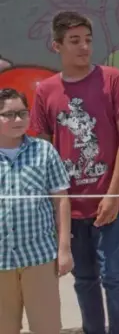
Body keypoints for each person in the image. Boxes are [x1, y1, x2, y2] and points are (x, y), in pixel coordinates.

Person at [31, 11, 119, 334]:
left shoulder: (111, 79)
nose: (84, 47)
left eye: (88, 40)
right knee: (85, 279)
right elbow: (44, 149)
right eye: (75, 41)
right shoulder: (45, 91)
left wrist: (113, 194)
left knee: (115, 277)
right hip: (71, 207)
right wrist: (55, 203)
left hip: (111, 203)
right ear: (57, 45)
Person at [0, 88, 72, 333]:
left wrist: (64, 250)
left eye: (22, 113)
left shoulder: (44, 151)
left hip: (39, 257)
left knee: (47, 327)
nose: (17, 120)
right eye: (8, 115)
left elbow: (61, 201)